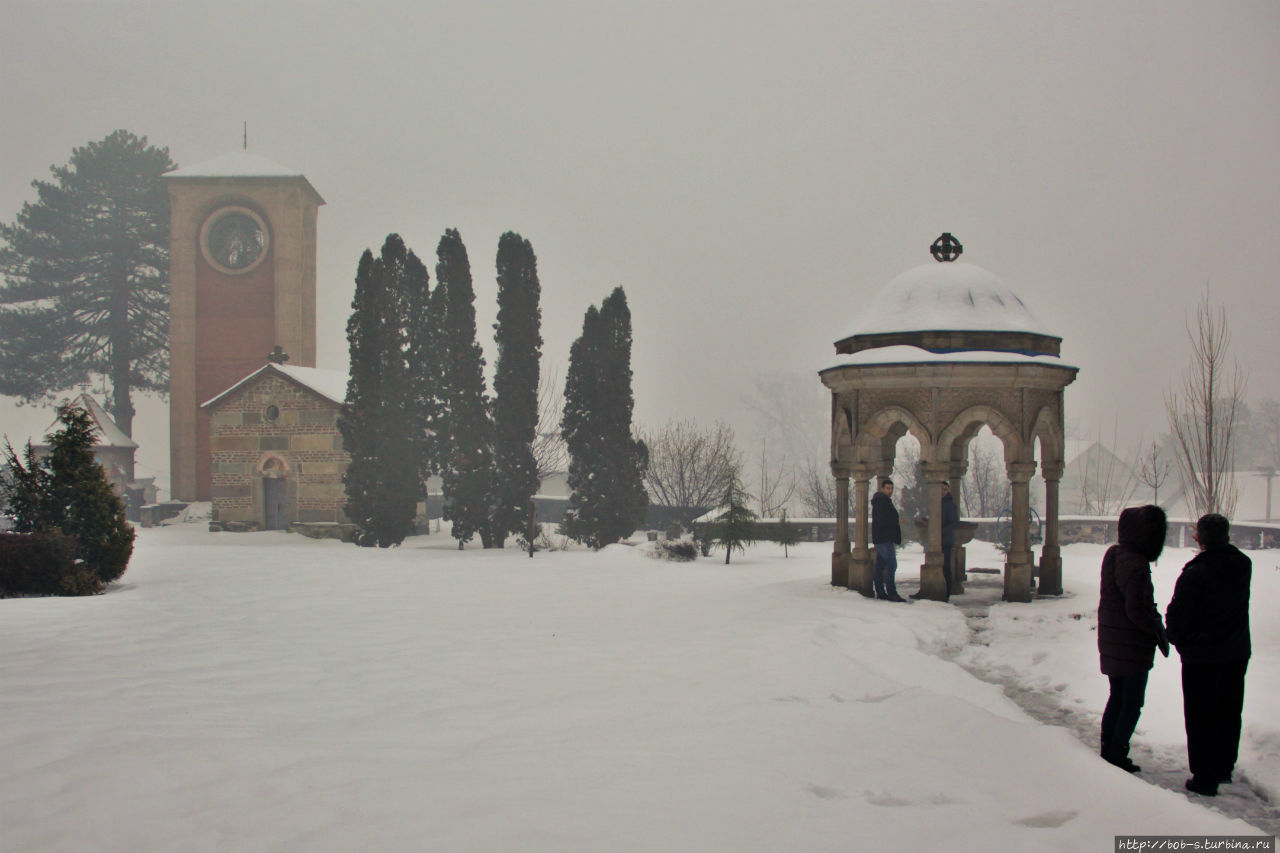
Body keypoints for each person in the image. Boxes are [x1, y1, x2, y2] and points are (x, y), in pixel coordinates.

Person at [1166, 513, 1252, 798]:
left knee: (1201, 715)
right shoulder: (1243, 565)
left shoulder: (1196, 573)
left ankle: (1204, 777)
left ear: (1200, 538)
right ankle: (1223, 766)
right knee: (1229, 710)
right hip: (1236, 652)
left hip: (1202, 657)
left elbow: (1178, 617)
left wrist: (1178, 639)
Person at [1097, 504, 1170, 773]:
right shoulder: (1136, 564)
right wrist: (1156, 628)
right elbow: (1137, 609)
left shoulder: (1114, 554)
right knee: (1131, 702)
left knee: (1117, 696)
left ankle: (1108, 748)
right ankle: (1117, 752)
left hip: (1113, 640)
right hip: (1131, 645)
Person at [871, 478, 904, 602]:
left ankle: (880, 591)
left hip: (882, 538)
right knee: (891, 565)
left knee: (880, 566)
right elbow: (882, 520)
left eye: (891, 488)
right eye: (888, 488)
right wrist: (896, 521)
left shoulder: (883, 501)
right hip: (884, 538)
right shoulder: (881, 501)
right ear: (882, 489)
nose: (890, 491)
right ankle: (891, 592)